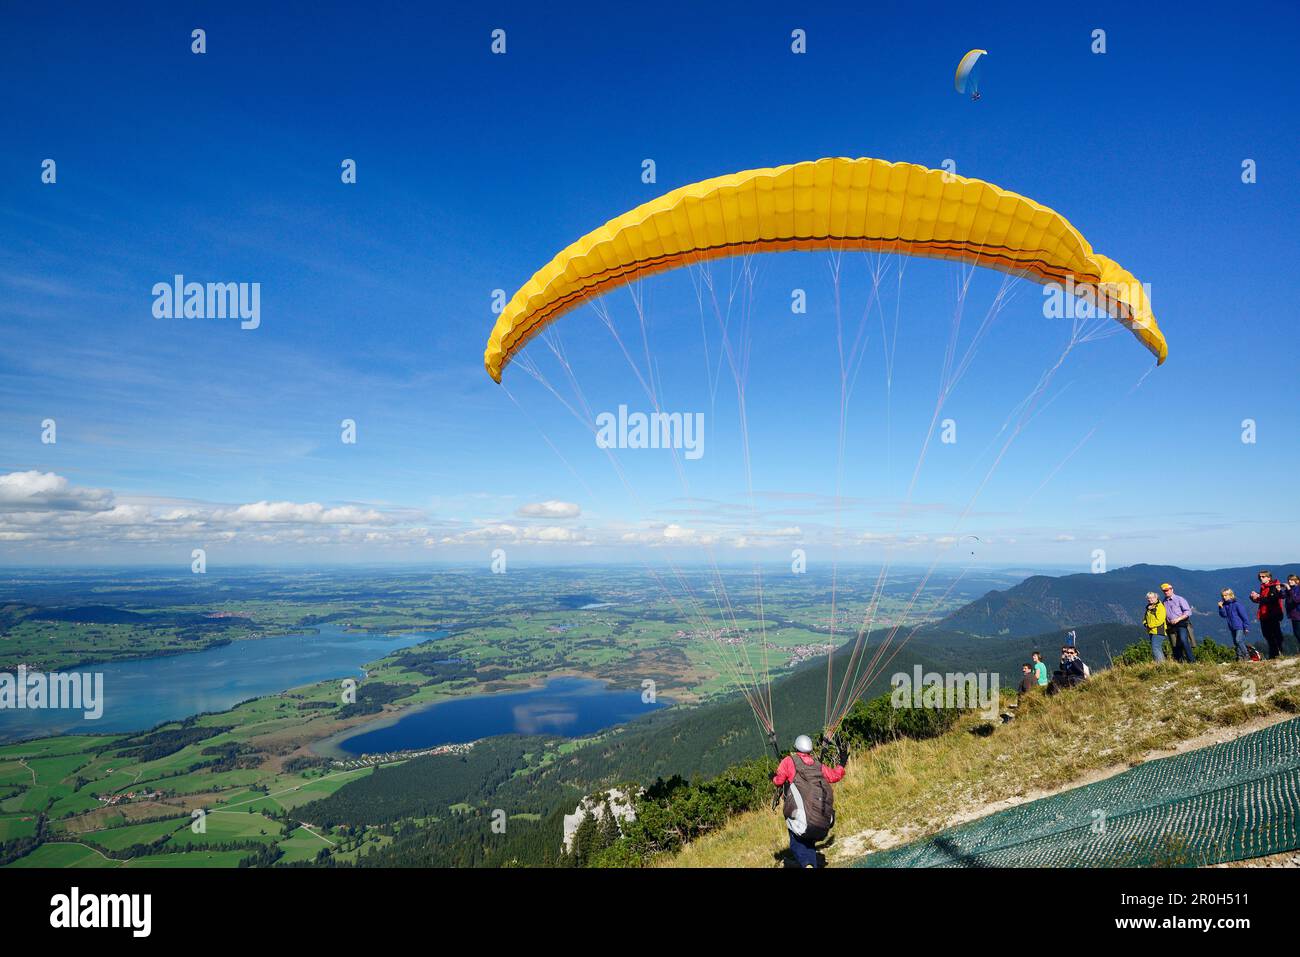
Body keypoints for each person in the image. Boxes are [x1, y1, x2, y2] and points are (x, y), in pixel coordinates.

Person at [773, 733, 846, 868]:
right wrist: (841, 763)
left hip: (802, 818)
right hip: (821, 821)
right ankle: (810, 865)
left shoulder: (789, 761)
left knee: (796, 842)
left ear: (796, 747)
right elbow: (835, 776)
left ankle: (807, 864)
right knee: (808, 841)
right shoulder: (818, 765)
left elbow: (779, 781)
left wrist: (773, 777)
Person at [1250, 569, 1289, 659]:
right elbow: (1264, 600)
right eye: (1259, 577)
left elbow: (1272, 599)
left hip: (1272, 614)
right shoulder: (1264, 587)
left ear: (1269, 577)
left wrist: (1259, 597)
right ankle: (1274, 654)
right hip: (1264, 614)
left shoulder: (1274, 586)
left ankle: (1278, 654)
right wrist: (1254, 597)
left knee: (1275, 635)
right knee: (1267, 635)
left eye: (1263, 577)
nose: (1261, 578)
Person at [1161, 583, 1196, 663]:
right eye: (1164, 591)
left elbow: (1188, 612)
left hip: (1181, 624)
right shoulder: (1164, 602)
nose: (1166, 592)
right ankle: (1180, 662)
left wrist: (1178, 619)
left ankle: (1192, 661)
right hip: (1170, 626)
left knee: (1184, 640)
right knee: (1175, 644)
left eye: (1167, 590)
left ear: (1172, 590)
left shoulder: (1180, 599)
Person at [1218, 588, 1251, 661]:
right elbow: (1224, 615)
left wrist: (1246, 627)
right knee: (1236, 642)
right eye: (1223, 595)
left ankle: (1246, 655)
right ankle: (1239, 657)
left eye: (1226, 595)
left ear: (1231, 595)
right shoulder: (1225, 605)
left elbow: (1244, 616)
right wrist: (1221, 607)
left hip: (1240, 626)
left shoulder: (1237, 604)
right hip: (1232, 626)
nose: (1224, 597)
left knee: (1238, 640)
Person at [1144, 591, 1168, 663]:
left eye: (1152, 598)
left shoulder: (1160, 607)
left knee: (1155, 648)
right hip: (1152, 631)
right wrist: (1145, 624)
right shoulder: (1149, 607)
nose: (1150, 599)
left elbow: (1160, 620)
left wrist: (1150, 625)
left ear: (1156, 597)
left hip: (1159, 631)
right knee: (1156, 648)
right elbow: (1145, 618)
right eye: (1148, 598)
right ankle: (1162, 664)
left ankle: (1161, 664)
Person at [1286, 575, 1300, 651]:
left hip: (1298, 614)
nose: (1289, 581)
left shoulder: (1298, 589)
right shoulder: (1291, 589)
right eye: (1289, 580)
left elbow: (1296, 600)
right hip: (1293, 615)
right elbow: (1283, 596)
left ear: (1297, 581)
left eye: (1291, 580)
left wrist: (1289, 590)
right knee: (1296, 633)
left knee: (1298, 633)